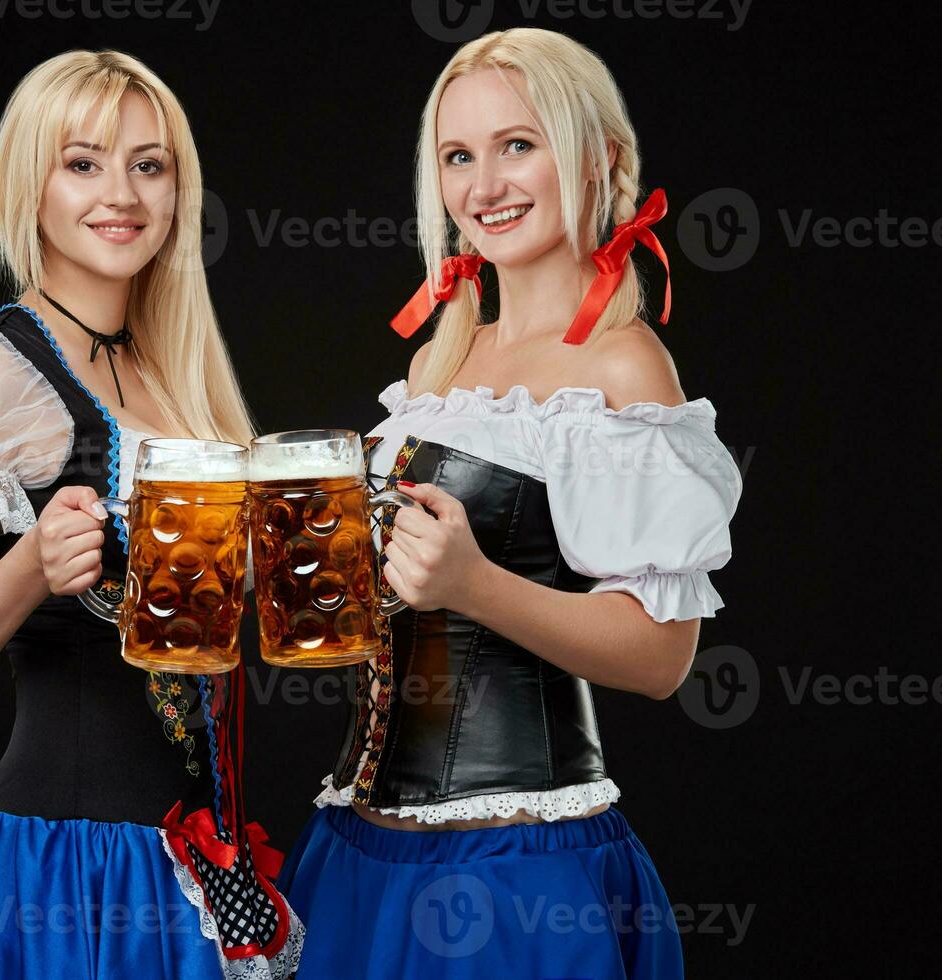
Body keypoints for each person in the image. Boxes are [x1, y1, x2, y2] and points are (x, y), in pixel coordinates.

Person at [277, 28, 743, 978]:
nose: (485, 185)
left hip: (514, 875)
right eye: (459, 156)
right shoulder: (439, 361)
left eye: (517, 145)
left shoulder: (620, 365)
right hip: (358, 851)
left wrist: (476, 586)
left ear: (599, 157)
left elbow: (660, 658)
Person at [0, 49, 302, 979]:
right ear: (32, 185)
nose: (123, 194)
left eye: (150, 165)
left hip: (192, 868)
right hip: (58, 877)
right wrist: (28, 568)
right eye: (84, 163)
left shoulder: (181, 382)